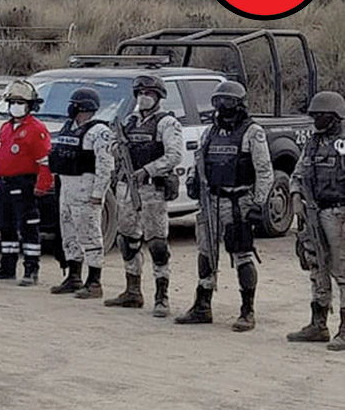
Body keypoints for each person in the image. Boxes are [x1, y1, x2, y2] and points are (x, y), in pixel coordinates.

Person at [177, 81, 272, 331]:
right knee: (205, 252)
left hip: (238, 202)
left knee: (242, 255)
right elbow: (200, 161)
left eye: (227, 101)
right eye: (217, 101)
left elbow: (264, 171)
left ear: (239, 104)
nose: (222, 106)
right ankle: (202, 305)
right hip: (211, 201)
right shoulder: (211, 131)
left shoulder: (252, 132)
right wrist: (193, 182)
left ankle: (247, 310)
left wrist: (259, 203)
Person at [104, 76, 184, 316]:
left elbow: (174, 156)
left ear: (159, 96)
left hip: (152, 189)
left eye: (148, 93)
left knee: (157, 243)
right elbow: (113, 147)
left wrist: (147, 170)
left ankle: (162, 297)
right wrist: (117, 148)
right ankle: (132, 291)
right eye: (140, 93)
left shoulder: (167, 123)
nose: (143, 97)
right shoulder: (130, 121)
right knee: (127, 239)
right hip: (128, 188)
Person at [289, 91, 345, 349]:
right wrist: (295, 195)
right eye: (314, 115)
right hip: (313, 212)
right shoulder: (313, 142)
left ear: (335, 116)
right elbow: (299, 172)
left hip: (338, 213)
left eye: (320, 115)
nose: (316, 120)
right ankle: (318, 323)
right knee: (316, 267)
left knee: (342, 271)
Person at [0, 79, 53, 286]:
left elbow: (44, 161)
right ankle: (7, 267)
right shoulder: (6, 128)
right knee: (5, 226)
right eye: (13, 102)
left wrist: (42, 185)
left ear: (30, 105)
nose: (16, 106)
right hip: (4, 183)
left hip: (25, 184)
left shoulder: (36, 129)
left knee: (28, 227)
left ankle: (31, 269)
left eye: (20, 103)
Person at [48, 87, 114, 298]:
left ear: (85, 107)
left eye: (75, 104)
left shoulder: (100, 132)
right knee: (69, 234)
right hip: (67, 188)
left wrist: (99, 194)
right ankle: (73, 276)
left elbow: (105, 166)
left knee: (90, 235)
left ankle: (94, 281)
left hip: (87, 191)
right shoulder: (68, 127)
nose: (71, 108)